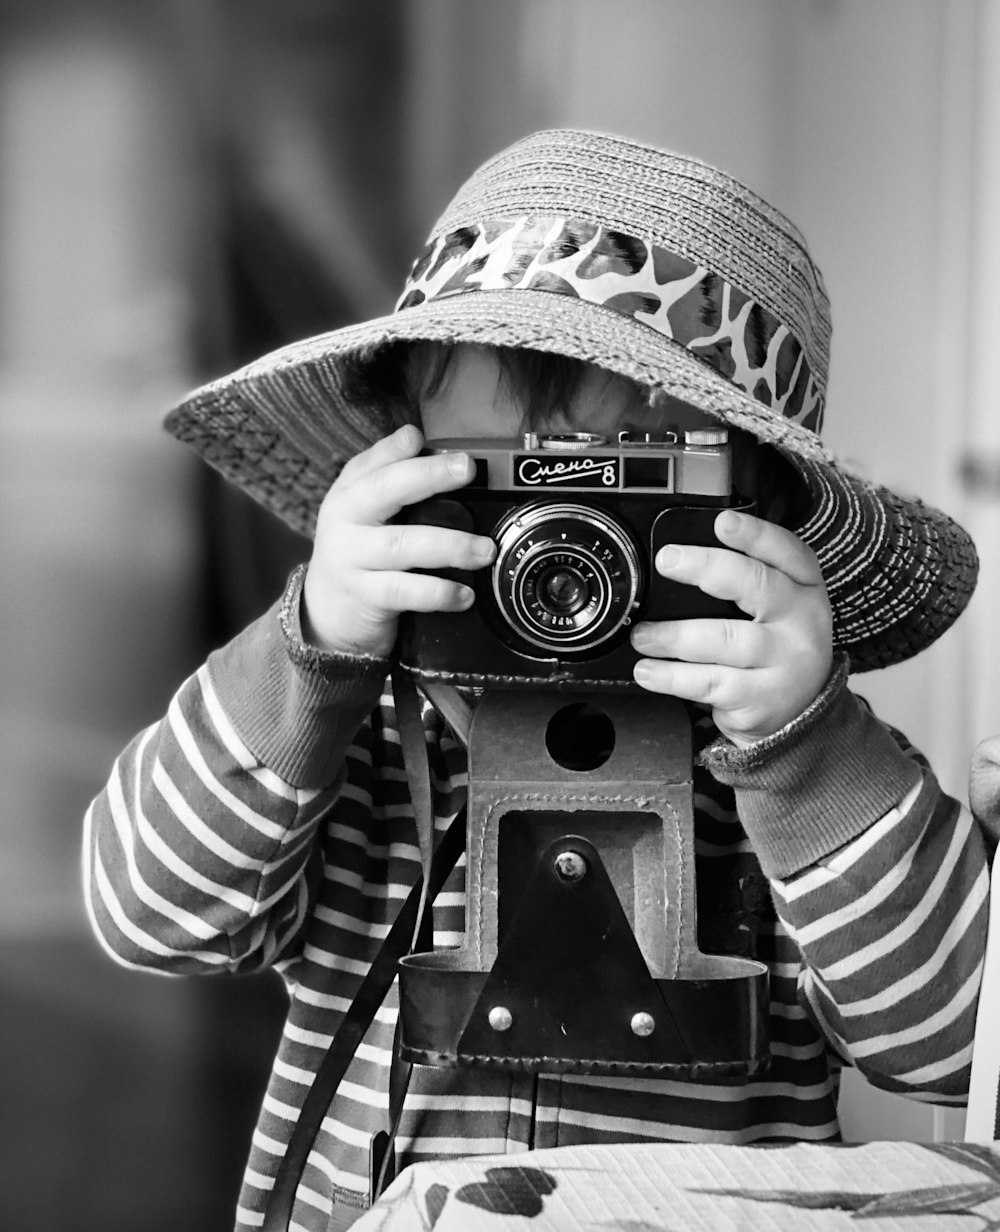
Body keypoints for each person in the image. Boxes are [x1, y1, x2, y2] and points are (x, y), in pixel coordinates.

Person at [83, 129, 989, 1232]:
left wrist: (808, 751)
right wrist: (312, 648)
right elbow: (148, 913)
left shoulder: (796, 768)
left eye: (632, 484)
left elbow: (958, 1044)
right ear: (404, 475)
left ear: (756, 517)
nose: (560, 544)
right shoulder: (355, 735)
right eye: (502, 484)